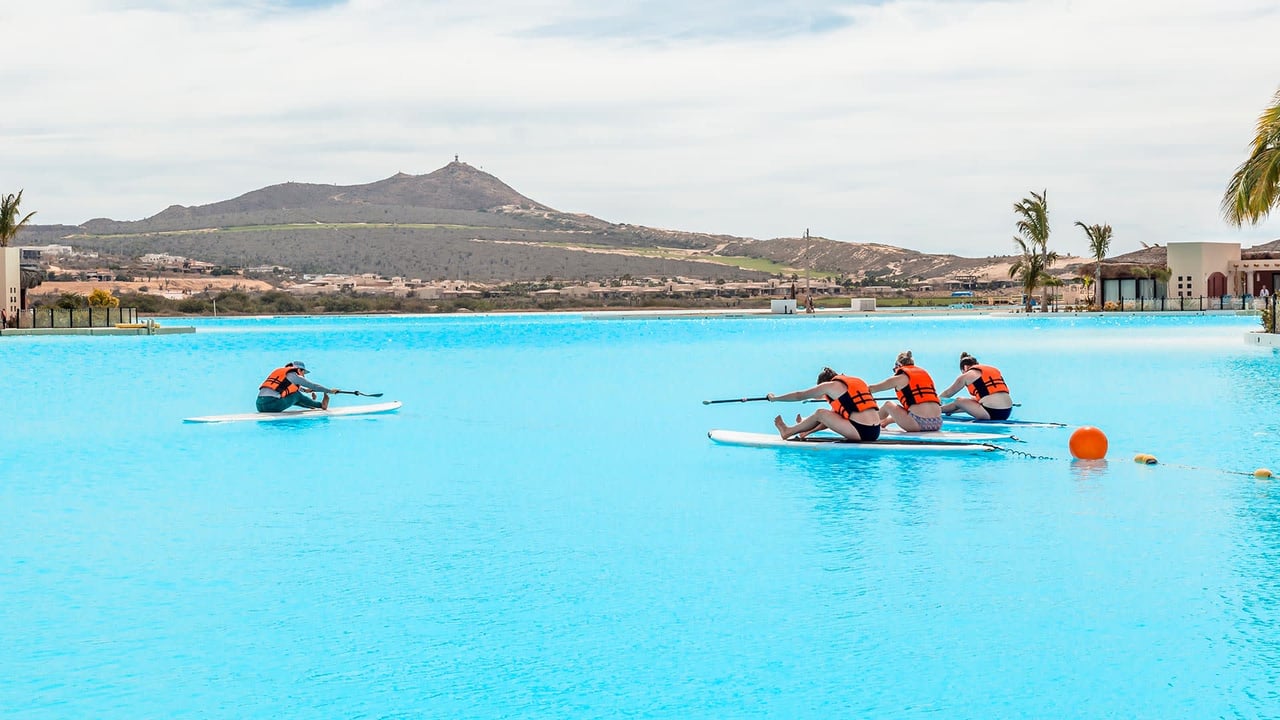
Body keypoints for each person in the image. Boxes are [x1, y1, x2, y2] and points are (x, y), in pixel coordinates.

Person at [767, 367, 881, 442]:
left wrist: (775, 398)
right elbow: (830, 420)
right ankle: (802, 431)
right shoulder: (855, 381)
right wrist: (808, 431)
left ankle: (787, 432)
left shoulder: (829, 386)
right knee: (830, 414)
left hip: (861, 432)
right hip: (875, 431)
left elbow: (799, 395)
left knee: (820, 413)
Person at [867, 350, 943, 432]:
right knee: (910, 410)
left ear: (898, 366)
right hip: (938, 422)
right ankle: (884, 421)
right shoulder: (924, 374)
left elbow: (872, 389)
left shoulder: (899, 378)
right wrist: (888, 421)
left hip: (918, 424)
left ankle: (869, 422)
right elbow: (917, 412)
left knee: (888, 405)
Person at [939, 352, 1014, 421]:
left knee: (959, 401)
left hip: (991, 413)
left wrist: (935, 402)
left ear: (965, 368)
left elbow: (947, 394)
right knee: (973, 400)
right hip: (1007, 411)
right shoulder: (993, 370)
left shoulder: (966, 375)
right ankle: (950, 410)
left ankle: (937, 410)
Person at [257, 361, 341, 413]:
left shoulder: (283, 374)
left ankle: (312, 405)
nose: (304, 375)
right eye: (304, 372)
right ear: (300, 370)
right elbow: (313, 386)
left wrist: (305, 390)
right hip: (272, 405)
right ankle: (320, 405)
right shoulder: (295, 375)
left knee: (295, 396)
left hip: (259, 405)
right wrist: (330, 391)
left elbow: (287, 389)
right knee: (297, 396)